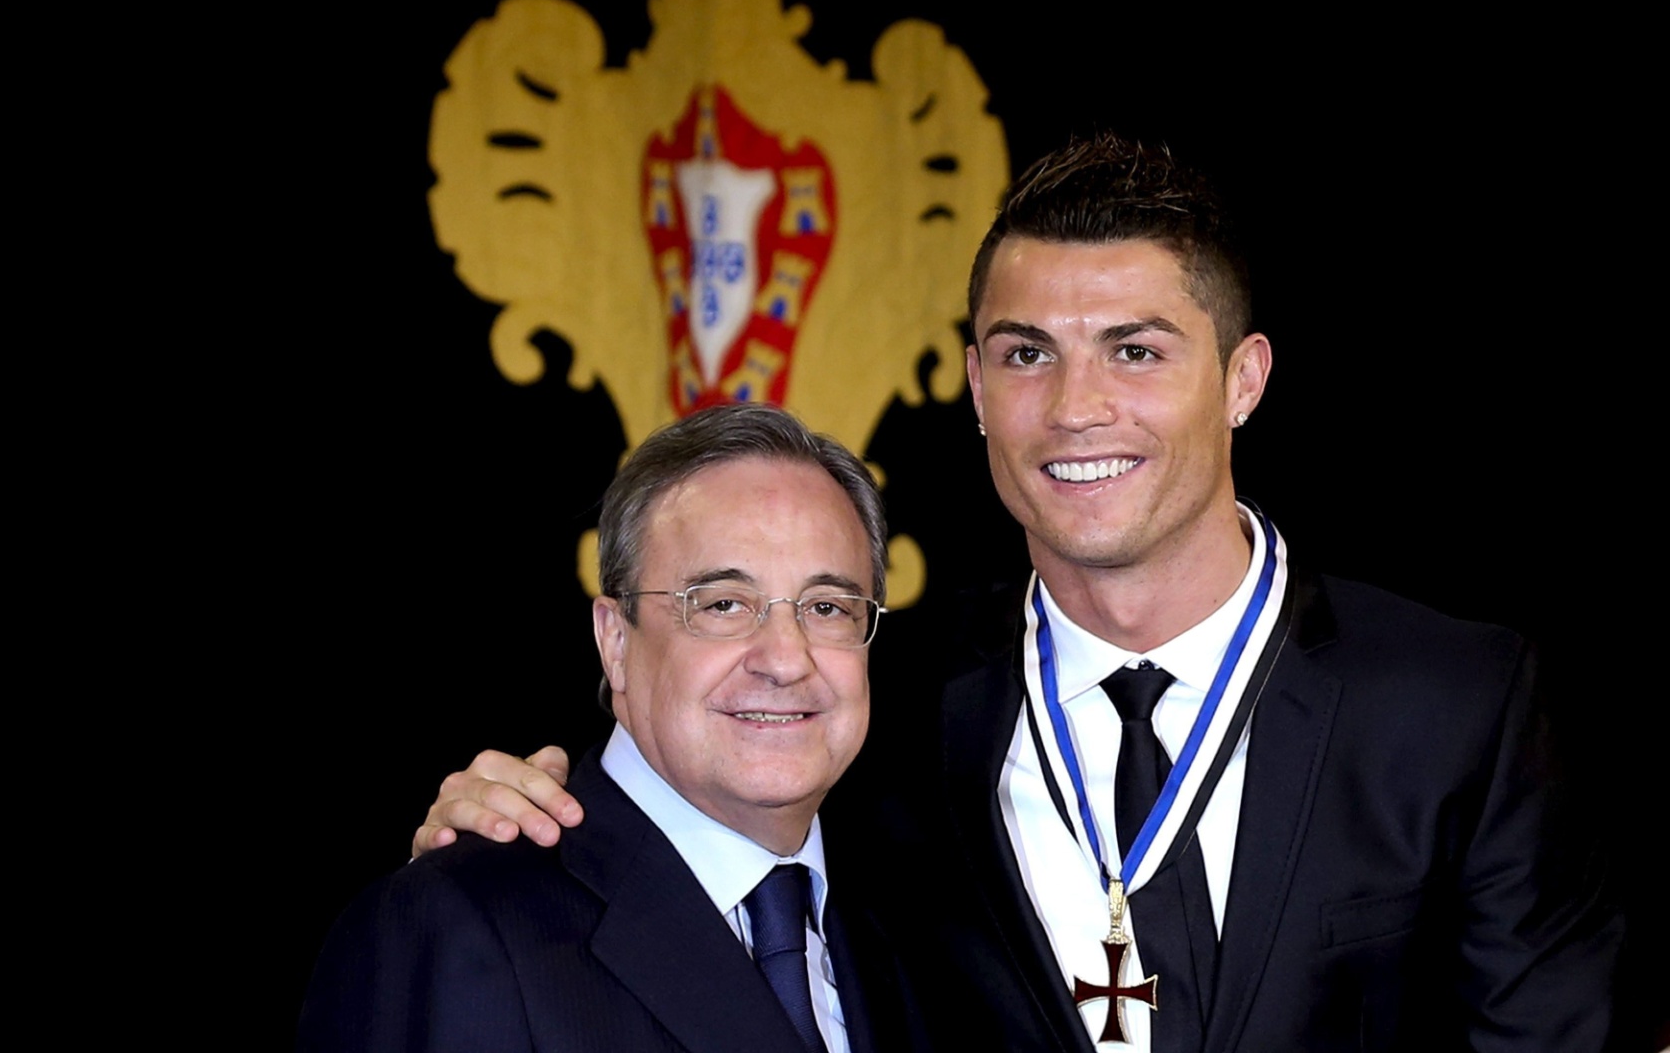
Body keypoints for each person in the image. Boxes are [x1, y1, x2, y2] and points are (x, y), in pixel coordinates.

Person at [412, 134, 1620, 1052]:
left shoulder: (1458, 703)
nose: (1075, 406)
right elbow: (675, 856)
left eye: (1135, 350)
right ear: (978, 385)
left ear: (1243, 378)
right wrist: (510, 832)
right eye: (1025, 351)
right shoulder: (874, 702)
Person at [299, 404, 921, 1052]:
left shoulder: (922, 936)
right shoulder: (456, 926)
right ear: (615, 640)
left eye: (828, 607)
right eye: (724, 605)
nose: (787, 659)